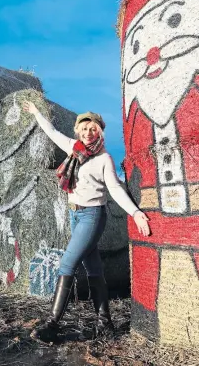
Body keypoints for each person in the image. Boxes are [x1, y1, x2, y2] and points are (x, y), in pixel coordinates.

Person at [23, 101, 151, 342]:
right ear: (78, 130)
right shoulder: (74, 148)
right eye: (84, 128)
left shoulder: (104, 159)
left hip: (93, 216)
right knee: (93, 268)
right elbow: (51, 133)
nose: (88, 132)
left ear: (99, 131)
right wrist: (37, 112)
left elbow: (115, 189)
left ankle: (52, 324)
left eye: (93, 128)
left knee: (66, 264)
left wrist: (135, 213)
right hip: (75, 214)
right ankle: (105, 324)